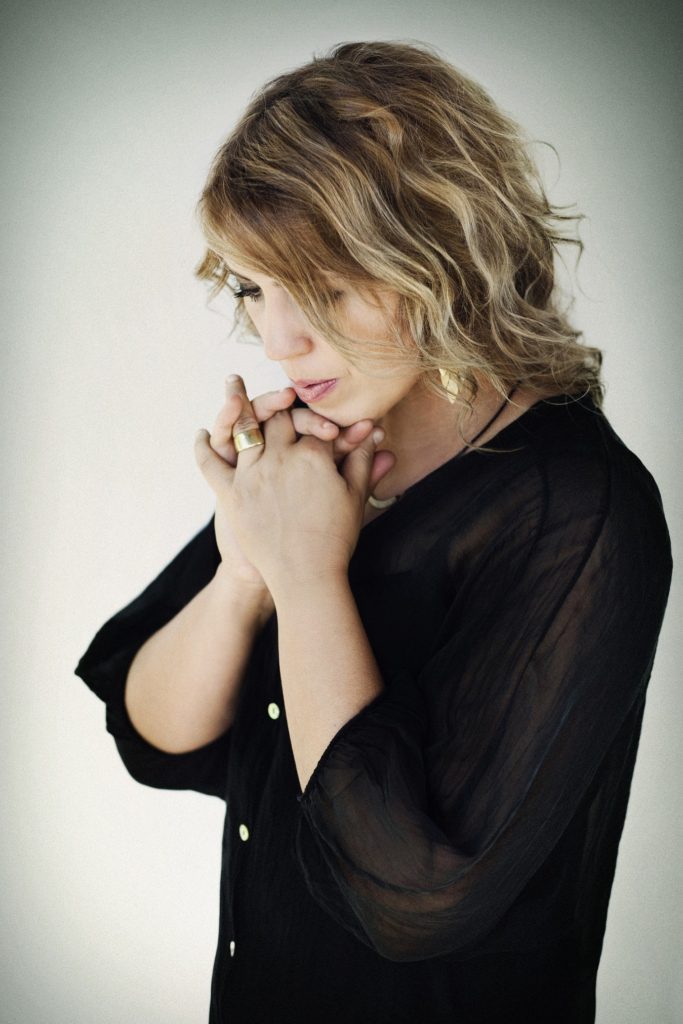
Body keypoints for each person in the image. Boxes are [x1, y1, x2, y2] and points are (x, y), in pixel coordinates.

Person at [74, 40, 673, 1024]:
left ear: (444, 254)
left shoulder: (580, 508)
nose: (278, 340)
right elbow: (152, 736)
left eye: (322, 286)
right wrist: (246, 568)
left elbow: (411, 898)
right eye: (252, 288)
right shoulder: (328, 450)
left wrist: (309, 579)